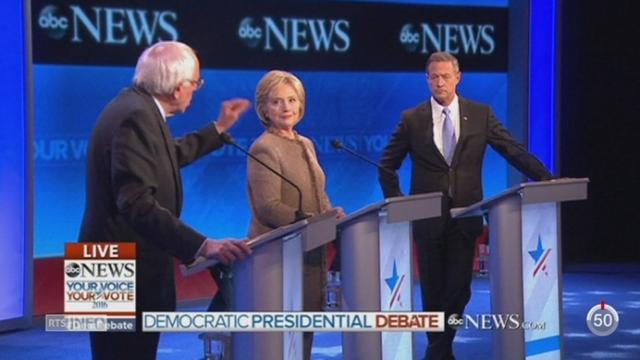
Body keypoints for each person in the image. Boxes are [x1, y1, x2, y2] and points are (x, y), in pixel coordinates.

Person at [78, 41, 252, 360]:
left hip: (106, 257)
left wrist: (218, 129)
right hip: (118, 264)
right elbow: (137, 203)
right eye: (196, 83)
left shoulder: (135, 107)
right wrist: (203, 246)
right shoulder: (135, 116)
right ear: (177, 88)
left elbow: (166, 157)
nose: (196, 90)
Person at [378, 52, 553, 360]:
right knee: (433, 290)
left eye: (445, 76)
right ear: (427, 79)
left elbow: (511, 149)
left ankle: (440, 347)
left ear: (458, 77)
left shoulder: (480, 114)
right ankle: (440, 350)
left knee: (460, 290)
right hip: (428, 220)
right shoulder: (412, 119)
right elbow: (387, 165)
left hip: (466, 217)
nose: (440, 82)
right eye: (434, 77)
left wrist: (545, 177)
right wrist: (401, 203)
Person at [247, 70, 345, 359]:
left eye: (292, 100)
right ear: (264, 108)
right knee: (281, 340)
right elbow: (268, 206)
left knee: (304, 333)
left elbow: (318, 192)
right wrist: (315, 220)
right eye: (277, 102)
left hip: (311, 252)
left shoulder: (306, 143)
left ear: (301, 105)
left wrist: (331, 212)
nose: (286, 107)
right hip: (278, 255)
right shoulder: (264, 147)